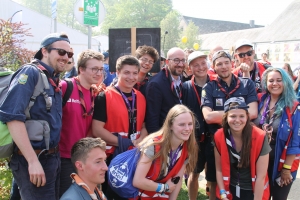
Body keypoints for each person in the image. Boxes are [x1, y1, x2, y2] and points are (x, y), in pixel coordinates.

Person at [0, 32, 72, 199]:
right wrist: (33, 161)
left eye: (69, 54)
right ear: (44, 51)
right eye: (61, 52)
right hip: (32, 159)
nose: (66, 57)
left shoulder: (53, 78)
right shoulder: (30, 72)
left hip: (50, 158)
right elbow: (13, 117)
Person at [201, 50, 258, 200]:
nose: (224, 66)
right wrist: (238, 115)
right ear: (214, 67)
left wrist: (220, 114)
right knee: (214, 180)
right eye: (219, 64)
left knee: (243, 180)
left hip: (244, 142)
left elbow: (253, 113)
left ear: (233, 64)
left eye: (226, 62)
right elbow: (207, 117)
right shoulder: (208, 87)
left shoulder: (246, 84)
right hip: (217, 142)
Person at [92, 55, 147, 200]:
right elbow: (97, 129)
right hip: (112, 157)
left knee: (133, 193)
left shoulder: (140, 96)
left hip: (135, 154)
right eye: (127, 72)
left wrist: (141, 141)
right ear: (117, 72)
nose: (131, 77)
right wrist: (125, 142)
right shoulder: (104, 96)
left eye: (135, 73)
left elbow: (144, 125)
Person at [59, 50, 105, 197]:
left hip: (83, 158)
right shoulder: (65, 87)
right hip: (63, 156)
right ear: (81, 69)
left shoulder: (95, 93)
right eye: (94, 69)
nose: (98, 73)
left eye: (100, 69)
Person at [253, 67, 300, 200]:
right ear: (265, 83)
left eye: (279, 80)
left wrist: (286, 169)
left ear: (285, 82)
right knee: (261, 196)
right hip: (260, 158)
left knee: (279, 197)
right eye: (271, 80)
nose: (275, 84)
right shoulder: (259, 99)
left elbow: (295, 141)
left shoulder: (294, 107)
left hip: (282, 161)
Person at [132, 104, 198, 200]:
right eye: (181, 124)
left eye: (190, 124)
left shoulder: (189, 145)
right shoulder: (153, 145)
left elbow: (177, 180)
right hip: (140, 196)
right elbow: (138, 181)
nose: (187, 129)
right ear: (170, 125)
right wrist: (165, 188)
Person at [214, 97, 270, 200]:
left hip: (251, 190)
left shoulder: (260, 136)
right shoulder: (219, 135)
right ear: (226, 117)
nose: (237, 120)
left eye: (241, 116)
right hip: (228, 188)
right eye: (233, 116)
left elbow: (261, 177)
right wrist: (222, 193)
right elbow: (219, 170)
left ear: (247, 117)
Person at [182, 51, 211, 200]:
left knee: (212, 175)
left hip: (213, 138)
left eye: (202, 63)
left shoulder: (216, 84)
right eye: (195, 65)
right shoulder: (185, 87)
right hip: (195, 139)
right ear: (190, 69)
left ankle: (210, 194)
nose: (200, 67)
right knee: (194, 172)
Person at [146, 47, 185, 134]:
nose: (181, 64)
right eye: (176, 60)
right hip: (165, 137)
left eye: (183, 60)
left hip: (181, 134)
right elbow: (152, 119)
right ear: (167, 62)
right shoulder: (156, 84)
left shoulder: (183, 80)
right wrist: (158, 142)